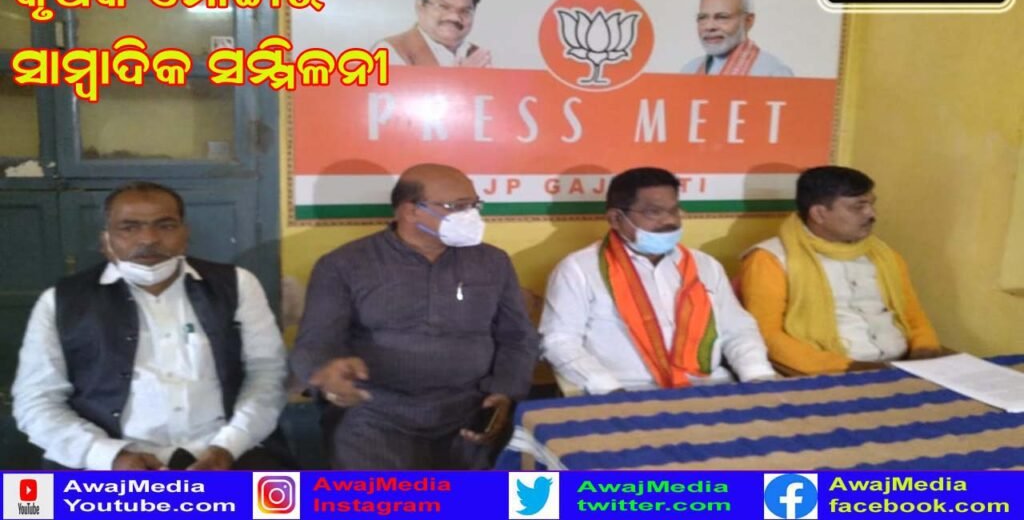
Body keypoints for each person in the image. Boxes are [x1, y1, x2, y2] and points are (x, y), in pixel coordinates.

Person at [12, 182, 288, 470]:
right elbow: (36, 399)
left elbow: (267, 373)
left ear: (185, 233)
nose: (149, 238)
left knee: (292, 495)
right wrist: (108, 456)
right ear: (106, 239)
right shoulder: (62, 301)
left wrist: (228, 446)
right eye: (129, 228)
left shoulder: (236, 284)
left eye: (165, 226)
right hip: (107, 461)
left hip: (227, 452)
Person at [291, 163, 537, 469]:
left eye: (474, 205)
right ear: (410, 211)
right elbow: (315, 342)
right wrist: (327, 373)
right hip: (376, 414)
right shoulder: (343, 265)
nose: (471, 216)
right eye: (457, 207)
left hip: (470, 409)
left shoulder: (492, 262)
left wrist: (506, 393)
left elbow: (518, 338)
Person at [540, 167, 775, 394]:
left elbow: (738, 329)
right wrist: (608, 389)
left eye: (674, 210)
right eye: (654, 212)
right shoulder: (579, 270)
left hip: (710, 387)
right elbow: (560, 341)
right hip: (625, 391)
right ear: (615, 218)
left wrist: (758, 376)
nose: (669, 221)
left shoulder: (704, 265)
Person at [738, 166, 944, 376]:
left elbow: (913, 315)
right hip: (830, 372)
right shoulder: (770, 259)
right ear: (819, 214)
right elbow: (766, 334)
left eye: (872, 204)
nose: (871, 214)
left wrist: (925, 352)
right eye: (858, 207)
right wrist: (849, 368)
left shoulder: (884, 255)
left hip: (905, 364)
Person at [373, 0, 492, 67]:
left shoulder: (477, 54)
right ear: (420, 6)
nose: (454, 17)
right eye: (443, 7)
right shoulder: (388, 51)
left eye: (464, 11)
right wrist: (462, 78)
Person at [680, 0, 793, 77]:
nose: (709, 27)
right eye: (702, 18)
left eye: (722, 17)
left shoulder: (773, 72)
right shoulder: (690, 70)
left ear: (748, 21)